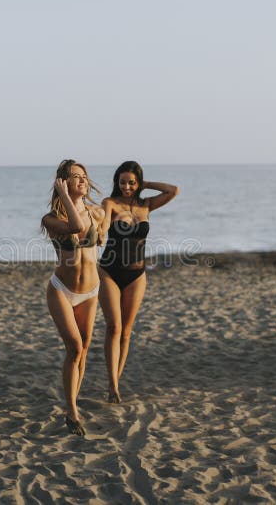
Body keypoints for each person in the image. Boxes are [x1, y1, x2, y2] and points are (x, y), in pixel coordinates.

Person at [98, 161, 178, 403]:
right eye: (123, 182)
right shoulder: (110, 203)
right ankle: (112, 386)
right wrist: (100, 233)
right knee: (114, 327)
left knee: (126, 332)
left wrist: (146, 185)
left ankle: (116, 382)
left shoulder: (147, 205)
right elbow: (103, 228)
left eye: (132, 182)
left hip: (136, 274)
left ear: (138, 182)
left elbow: (173, 190)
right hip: (109, 271)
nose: (127, 187)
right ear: (117, 182)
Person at [42, 159, 105, 436]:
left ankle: (72, 403)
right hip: (62, 291)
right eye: (74, 177)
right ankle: (72, 409)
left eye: (83, 176)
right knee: (75, 348)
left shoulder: (97, 213)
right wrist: (66, 197)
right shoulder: (51, 219)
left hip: (91, 291)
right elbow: (76, 227)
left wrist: (101, 235)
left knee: (84, 350)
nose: (81, 180)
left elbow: (100, 234)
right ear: (63, 183)